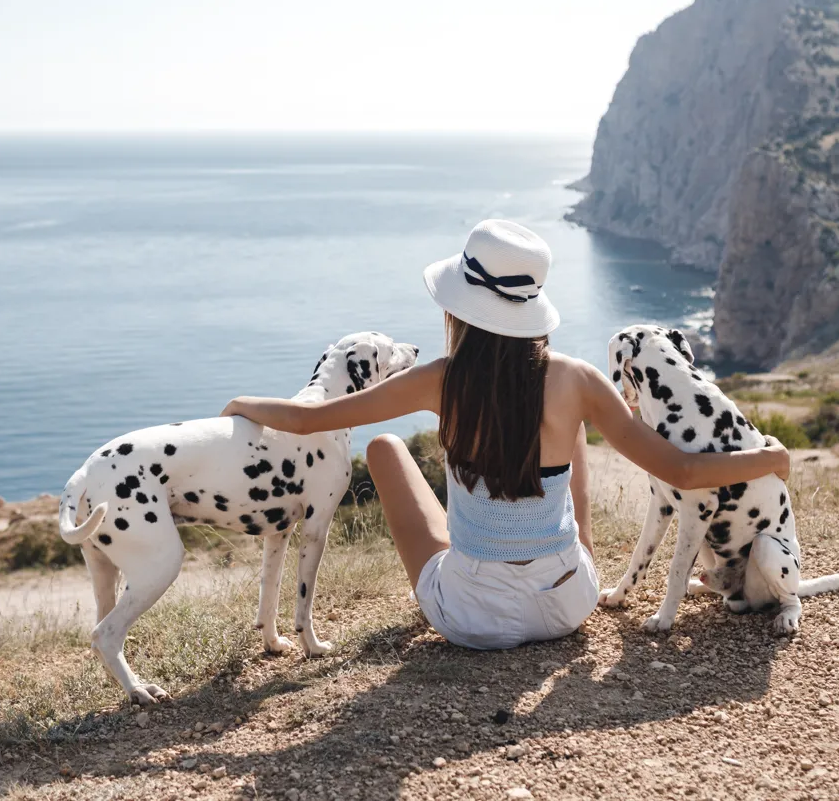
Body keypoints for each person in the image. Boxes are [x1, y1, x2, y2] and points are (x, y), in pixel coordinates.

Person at [220, 219, 790, 650]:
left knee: (386, 448)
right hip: (569, 603)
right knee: (566, 441)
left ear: (460, 307)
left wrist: (239, 404)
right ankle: (562, 549)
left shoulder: (438, 381)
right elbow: (683, 471)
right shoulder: (578, 380)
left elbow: (307, 419)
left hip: (470, 618)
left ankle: (490, 550)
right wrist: (767, 458)